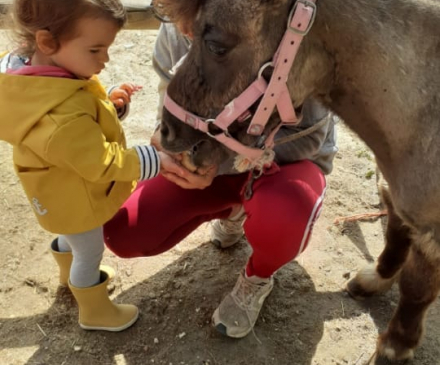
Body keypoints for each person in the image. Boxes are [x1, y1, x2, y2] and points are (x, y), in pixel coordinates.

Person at [103, 17, 338, 338]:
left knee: (286, 213)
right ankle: (236, 211)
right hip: (218, 158)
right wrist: (176, 156)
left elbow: (307, 139)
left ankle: (258, 276)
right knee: (125, 230)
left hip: (286, 163)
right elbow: (170, 113)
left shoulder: (291, 29)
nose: (184, 26)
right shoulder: (175, 26)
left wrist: (218, 164)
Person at [0, 0, 185, 332]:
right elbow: (100, 161)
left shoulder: (39, 80)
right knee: (90, 250)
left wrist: (110, 104)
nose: (105, 60)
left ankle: (69, 278)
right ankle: (94, 310)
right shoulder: (59, 118)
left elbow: (82, 124)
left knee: (70, 236)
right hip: (75, 196)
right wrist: (155, 160)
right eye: (96, 50)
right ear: (47, 42)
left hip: (58, 191)